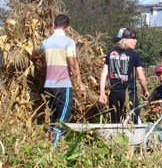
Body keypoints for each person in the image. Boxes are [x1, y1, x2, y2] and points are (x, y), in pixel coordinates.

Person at [32, 14, 86, 144]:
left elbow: (34, 52)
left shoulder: (46, 42)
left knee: (51, 117)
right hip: (63, 84)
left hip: (48, 86)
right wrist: (79, 84)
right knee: (62, 119)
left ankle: (48, 144)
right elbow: (72, 63)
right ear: (67, 28)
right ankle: (54, 149)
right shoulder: (69, 42)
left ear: (53, 25)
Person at [99, 27, 149, 123]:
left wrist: (102, 92)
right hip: (129, 95)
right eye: (133, 38)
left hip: (114, 95)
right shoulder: (135, 55)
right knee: (132, 122)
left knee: (115, 124)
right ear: (125, 40)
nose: (136, 41)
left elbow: (104, 74)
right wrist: (145, 90)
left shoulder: (110, 54)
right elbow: (141, 77)